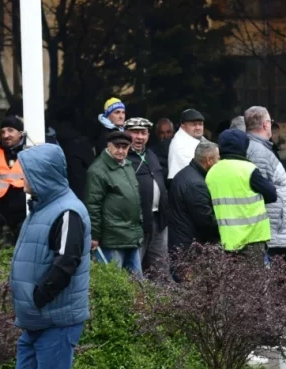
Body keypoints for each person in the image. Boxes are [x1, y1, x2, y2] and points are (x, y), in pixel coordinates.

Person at [10, 144, 108, 369]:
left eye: (25, 172)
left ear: (42, 174)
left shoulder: (67, 212)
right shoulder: (43, 207)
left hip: (57, 317)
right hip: (37, 318)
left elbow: (66, 262)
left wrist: (38, 296)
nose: (20, 177)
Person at [205, 129, 277, 260]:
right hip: (252, 240)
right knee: (255, 280)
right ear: (244, 147)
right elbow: (272, 194)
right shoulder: (248, 169)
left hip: (225, 240)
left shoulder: (211, 172)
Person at [85, 130, 143, 276]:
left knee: (138, 287)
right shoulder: (97, 170)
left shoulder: (127, 166)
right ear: (108, 146)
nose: (121, 151)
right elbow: (93, 205)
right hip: (112, 238)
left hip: (131, 235)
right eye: (117, 146)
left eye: (125, 147)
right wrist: (94, 236)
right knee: (114, 283)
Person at [245, 106, 286, 263]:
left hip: (274, 229)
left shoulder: (260, 148)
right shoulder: (258, 151)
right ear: (265, 124)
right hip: (271, 231)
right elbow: (261, 190)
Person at [124, 118, 169, 276]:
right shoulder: (123, 159)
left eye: (143, 133)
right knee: (135, 270)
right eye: (135, 132)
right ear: (126, 133)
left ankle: (164, 300)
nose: (140, 137)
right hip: (138, 223)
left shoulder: (151, 155)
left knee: (161, 269)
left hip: (159, 220)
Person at [167, 140, 220, 254]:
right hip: (189, 247)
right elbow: (205, 220)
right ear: (209, 160)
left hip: (181, 241)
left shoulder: (186, 173)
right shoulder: (196, 184)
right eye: (218, 159)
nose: (219, 162)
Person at [0, 115, 30, 235]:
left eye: (10, 130)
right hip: (1, 214)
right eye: (3, 132)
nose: (6, 135)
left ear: (20, 133)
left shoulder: (31, 151)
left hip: (26, 213)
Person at [167, 109, 205, 180]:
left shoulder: (193, 137)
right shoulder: (181, 145)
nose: (198, 128)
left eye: (200, 124)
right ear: (183, 126)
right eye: (193, 125)